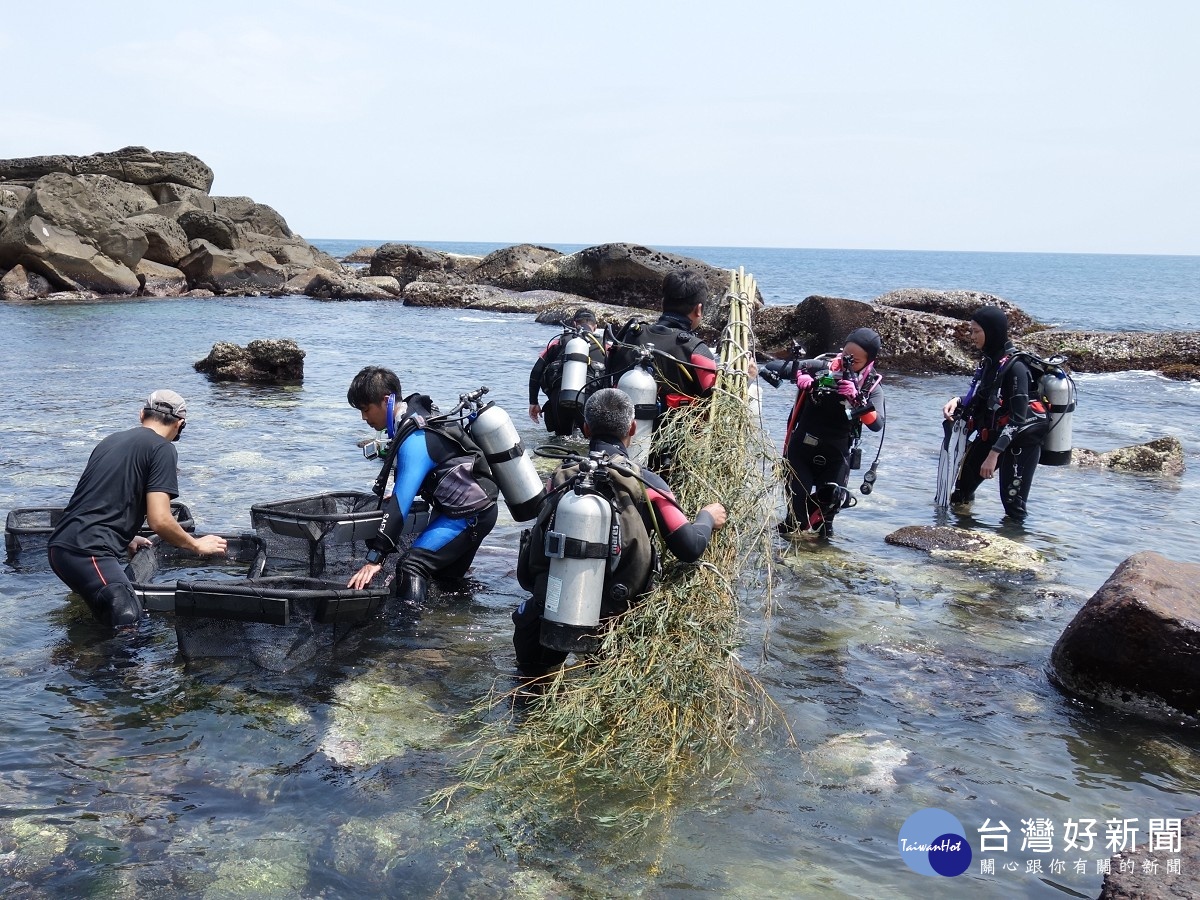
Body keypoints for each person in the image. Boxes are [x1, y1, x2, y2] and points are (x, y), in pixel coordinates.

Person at [511, 388, 727, 677]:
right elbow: (689, 547)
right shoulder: (646, 483)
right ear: (633, 428)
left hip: (551, 610)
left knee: (530, 688)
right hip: (615, 620)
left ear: (586, 428)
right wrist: (707, 517)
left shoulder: (560, 478)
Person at [48, 390, 228, 627]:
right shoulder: (162, 449)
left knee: (104, 622)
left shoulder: (110, 441)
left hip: (60, 549)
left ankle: (80, 657)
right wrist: (196, 545)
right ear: (180, 424)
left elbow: (98, 499)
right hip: (88, 553)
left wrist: (125, 536)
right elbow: (160, 520)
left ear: (141, 414)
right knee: (129, 623)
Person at [346, 366, 499, 605]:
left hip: (469, 515)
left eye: (365, 410)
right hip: (468, 508)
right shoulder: (414, 417)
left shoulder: (415, 438)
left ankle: (411, 636)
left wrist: (375, 559)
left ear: (386, 401)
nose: (364, 418)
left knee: (411, 566)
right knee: (445, 580)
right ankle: (452, 630)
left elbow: (399, 506)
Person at [761, 328, 885, 537]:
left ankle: (821, 566)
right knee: (796, 521)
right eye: (845, 356)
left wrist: (856, 399)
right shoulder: (821, 368)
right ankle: (780, 559)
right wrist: (799, 375)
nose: (846, 363)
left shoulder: (870, 387)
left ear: (869, 362)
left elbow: (876, 425)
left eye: (854, 362)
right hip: (801, 450)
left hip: (837, 456)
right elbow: (771, 367)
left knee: (824, 527)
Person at [942, 306, 1047, 521]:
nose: (972, 337)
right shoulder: (991, 361)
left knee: (1013, 506)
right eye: (971, 331)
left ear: (992, 331)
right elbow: (985, 396)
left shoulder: (1016, 367)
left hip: (1021, 440)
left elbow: (1018, 419)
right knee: (960, 493)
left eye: (976, 331)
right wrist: (959, 400)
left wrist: (993, 455)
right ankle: (960, 536)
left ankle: (1014, 546)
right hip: (994, 433)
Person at [606, 269, 718, 410]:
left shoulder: (628, 336)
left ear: (662, 303)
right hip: (673, 431)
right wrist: (749, 378)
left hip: (623, 430)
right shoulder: (697, 351)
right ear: (699, 309)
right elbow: (717, 403)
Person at [527, 307, 607, 435]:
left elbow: (536, 372)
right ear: (595, 327)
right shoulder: (605, 347)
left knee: (560, 442)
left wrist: (533, 402)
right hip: (589, 400)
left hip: (560, 399)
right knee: (592, 442)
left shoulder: (558, 342)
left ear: (574, 324)